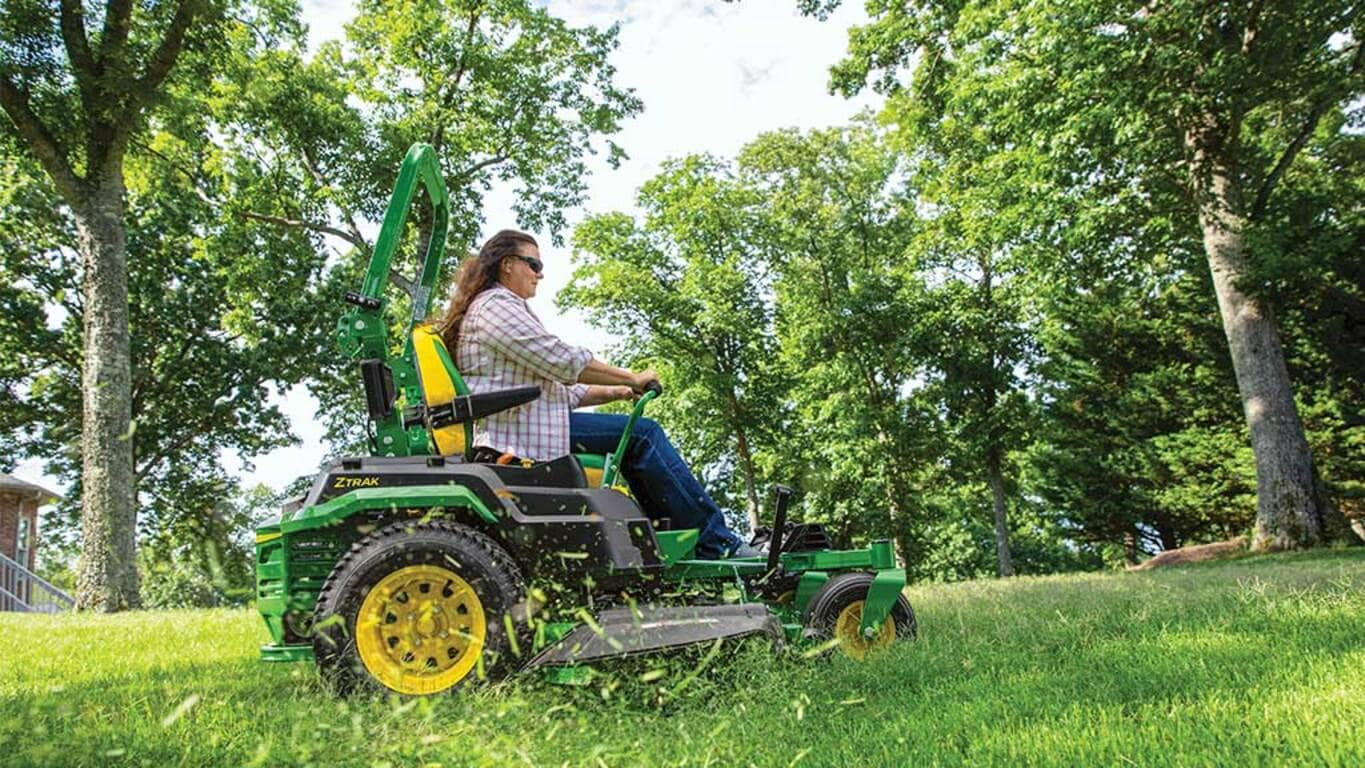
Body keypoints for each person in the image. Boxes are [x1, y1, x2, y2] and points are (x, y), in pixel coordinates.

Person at [437, 229, 757, 559]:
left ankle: (674, 540)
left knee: (636, 435)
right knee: (642, 436)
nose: (540, 273)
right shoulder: (496, 307)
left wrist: (619, 390)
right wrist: (632, 375)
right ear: (507, 264)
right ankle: (716, 544)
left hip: (532, 420)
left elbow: (562, 389)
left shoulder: (500, 308)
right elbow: (562, 360)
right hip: (515, 433)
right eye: (533, 264)